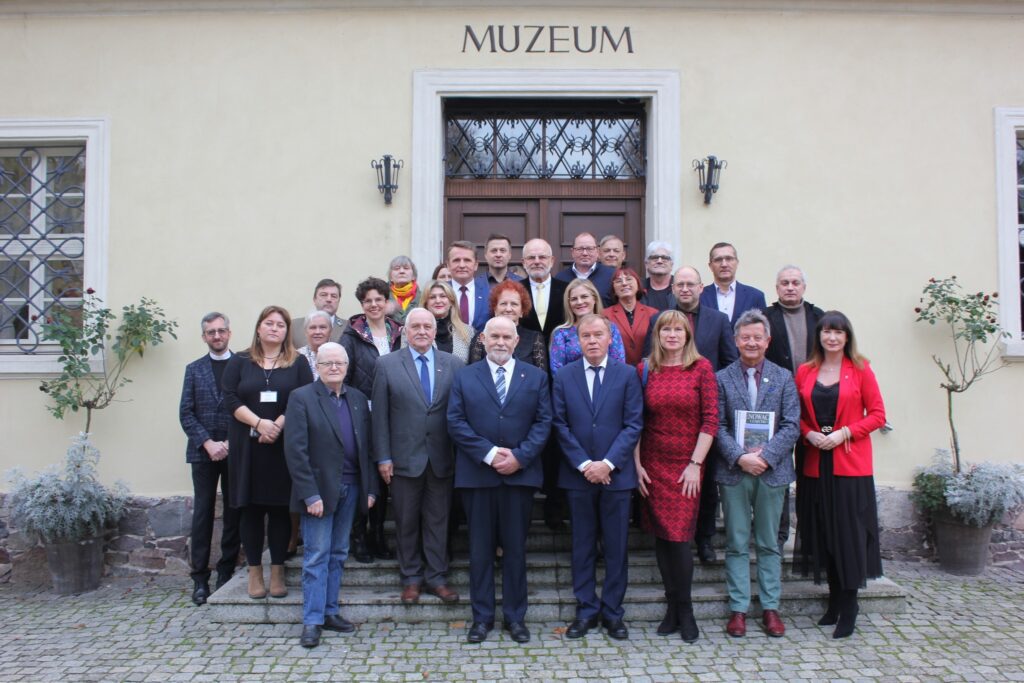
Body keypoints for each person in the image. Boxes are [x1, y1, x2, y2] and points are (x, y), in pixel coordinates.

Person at [447, 316, 552, 644]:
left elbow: (544, 422)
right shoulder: (465, 376)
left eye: (507, 337)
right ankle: (482, 619)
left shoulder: (535, 377)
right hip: (478, 476)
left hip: (520, 477)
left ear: (517, 341)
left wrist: (520, 457)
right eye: (495, 336)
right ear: (483, 339)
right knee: (479, 551)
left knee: (515, 550)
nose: (501, 342)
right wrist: (491, 454)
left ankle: (515, 618)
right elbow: (455, 421)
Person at [795, 311, 886, 639]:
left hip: (849, 466)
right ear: (818, 336)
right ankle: (833, 602)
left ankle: (849, 606)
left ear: (847, 337)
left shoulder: (861, 369)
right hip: (815, 463)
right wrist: (808, 434)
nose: (832, 338)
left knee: (848, 537)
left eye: (838, 332)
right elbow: (795, 414)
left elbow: (878, 415)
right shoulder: (805, 371)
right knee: (824, 535)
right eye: (826, 332)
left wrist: (845, 433)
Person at [552, 314, 642, 641]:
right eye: (586, 336)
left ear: (609, 339)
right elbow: (559, 424)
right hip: (578, 477)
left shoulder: (627, 374)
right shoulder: (564, 376)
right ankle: (586, 610)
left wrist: (607, 464)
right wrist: (584, 464)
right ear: (578, 341)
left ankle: (613, 613)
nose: (592, 341)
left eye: (597, 335)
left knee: (616, 547)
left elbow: (633, 423)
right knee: (583, 545)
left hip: (616, 477)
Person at [284, 342, 377, 648]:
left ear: (347, 367)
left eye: (339, 363)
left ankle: (330, 612)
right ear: (318, 366)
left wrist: (370, 488)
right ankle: (312, 620)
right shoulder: (301, 398)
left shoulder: (358, 399)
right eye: (327, 363)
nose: (334, 367)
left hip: (352, 487)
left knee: (338, 553)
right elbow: (296, 451)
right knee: (316, 556)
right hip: (320, 491)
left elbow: (367, 447)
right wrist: (309, 495)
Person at [643, 266, 738, 563]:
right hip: (663, 429)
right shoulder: (659, 320)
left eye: (690, 284)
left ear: (701, 287)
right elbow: (650, 360)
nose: (685, 289)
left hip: (702, 416)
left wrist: (709, 396)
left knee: (706, 485)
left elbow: (729, 362)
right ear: (673, 289)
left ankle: (705, 539)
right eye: (680, 284)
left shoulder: (718, 320)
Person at [714, 309, 799, 639]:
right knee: (736, 542)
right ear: (736, 341)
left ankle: (770, 607)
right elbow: (717, 425)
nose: (751, 342)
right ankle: (738, 609)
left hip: (771, 472)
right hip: (735, 472)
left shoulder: (783, 377)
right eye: (745, 337)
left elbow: (792, 424)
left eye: (757, 338)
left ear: (767, 341)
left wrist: (765, 456)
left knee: (768, 543)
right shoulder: (722, 378)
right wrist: (740, 457)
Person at [634, 310, 718, 643]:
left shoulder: (701, 368)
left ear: (687, 335)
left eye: (678, 330)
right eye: (665, 329)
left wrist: (696, 463)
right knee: (662, 537)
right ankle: (671, 608)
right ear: (657, 335)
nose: (671, 335)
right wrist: (637, 465)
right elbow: (636, 421)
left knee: (680, 538)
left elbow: (710, 420)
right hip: (653, 463)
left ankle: (686, 610)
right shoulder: (645, 369)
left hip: (687, 466)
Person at [372, 308, 464, 606]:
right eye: (416, 326)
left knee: (439, 521)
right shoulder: (386, 365)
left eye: (427, 326)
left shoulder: (453, 364)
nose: (422, 331)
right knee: (406, 520)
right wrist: (383, 457)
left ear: (435, 331)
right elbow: (380, 416)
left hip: (441, 458)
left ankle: (437, 578)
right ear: (406, 331)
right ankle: (411, 578)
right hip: (402, 459)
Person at [223, 305, 314, 600]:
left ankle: (277, 571)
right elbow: (230, 398)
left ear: (287, 331)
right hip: (247, 447)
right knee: (250, 510)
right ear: (259, 328)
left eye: (281, 325)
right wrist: (259, 423)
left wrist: (277, 425)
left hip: (282, 447)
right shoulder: (239, 361)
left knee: (279, 510)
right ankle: (254, 572)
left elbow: (303, 398)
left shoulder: (298, 362)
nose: (275, 328)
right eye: (269, 323)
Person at [178, 311, 241, 605]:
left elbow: (248, 407)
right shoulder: (194, 370)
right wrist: (207, 443)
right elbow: (186, 412)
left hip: (235, 449)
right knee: (202, 513)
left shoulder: (242, 366)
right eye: (211, 332)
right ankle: (200, 578)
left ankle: (226, 572)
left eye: (221, 330)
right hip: (202, 452)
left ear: (229, 333)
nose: (217, 336)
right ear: (204, 337)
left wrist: (228, 442)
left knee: (233, 511)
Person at [340, 277, 403, 564]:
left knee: (384, 478)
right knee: (363, 477)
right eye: (368, 301)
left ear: (387, 302)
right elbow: (344, 376)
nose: (374, 305)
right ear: (361, 304)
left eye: (379, 299)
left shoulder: (399, 332)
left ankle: (378, 536)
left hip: (394, 415)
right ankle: (359, 537)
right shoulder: (352, 335)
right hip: (362, 416)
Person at [764, 265, 826, 550]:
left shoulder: (819, 317)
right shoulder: (767, 317)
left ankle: (809, 536)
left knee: (810, 472)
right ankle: (779, 535)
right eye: (784, 283)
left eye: (795, 283)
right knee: (777, 470)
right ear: (777, 287)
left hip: (814, 406)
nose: (790, 287)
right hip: (776, 405)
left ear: (804, 287)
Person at [549, 279, 626, 374]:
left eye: (584, 296)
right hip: (572, 382)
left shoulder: (610, 328)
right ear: (569, 303)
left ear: (594, 299)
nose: (579, 302)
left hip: (609, 381)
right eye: (574, 299)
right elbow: (557, 371)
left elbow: (618, 364)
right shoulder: (561, 333)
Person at [468, 279, 547, 368]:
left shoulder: (535, 338)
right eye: (503, 304)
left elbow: (541, 375)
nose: (508, 309)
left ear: (522, 311)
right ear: (495, 309)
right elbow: (473, 372)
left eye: (514, 304)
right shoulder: (481, 337)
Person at [699, 242, 767, 325]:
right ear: (710, 266)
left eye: (729, 258)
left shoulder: (755, 297)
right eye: (718, 260)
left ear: (737, 263)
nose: (724, 264)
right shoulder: (699, 296)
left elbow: (762, 330)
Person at [602, 266, 658, 367]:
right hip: (617, 371)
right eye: (618, 281)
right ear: (614, 289)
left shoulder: (653, 314)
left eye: (628, 279)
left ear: (638, 285)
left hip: (648, 370)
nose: (624, 283)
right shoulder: (604, 316)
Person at [519, 238, 568, 343]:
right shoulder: (515, 290)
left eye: (542, 257)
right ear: (523, 262)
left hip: (559, 349)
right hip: (524, 350)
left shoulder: (567, 290)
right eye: (531, 257)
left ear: (552, 261)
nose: (537, 261)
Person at [553, 232, 615, 307]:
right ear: (572, 252)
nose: (585, 253)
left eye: (589, 249)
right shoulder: (561, 278)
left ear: (597, 251)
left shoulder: (611, 276)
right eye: (580, 249)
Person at [421, 279, 476, 363]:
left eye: (443, 296)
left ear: (451, 301)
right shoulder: (413, 331)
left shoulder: (468, 332)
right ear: (426, 303)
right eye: (432, 297)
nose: (438, 301)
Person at [447, 240, 492, 331]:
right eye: (456, 260)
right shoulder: (440, 292)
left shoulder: (489, 293)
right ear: (448, 265)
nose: (462, 265)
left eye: (467, 260)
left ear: (476, 265)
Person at [292, 279, 347, 348]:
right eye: (323, 295)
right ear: (314, 299)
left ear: (338, 301)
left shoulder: (348, 327)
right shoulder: (294, 326)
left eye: (333, 296)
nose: (329, 299)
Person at [297, 310, 333, 380]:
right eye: (313, 327)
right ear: (305, 331)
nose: (317, 332)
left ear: (330, 330)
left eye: (322, 327)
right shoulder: (296, 356)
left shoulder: (339, 354)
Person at [639, 241, 675, 311]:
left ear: (671, 264)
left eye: (664, 258)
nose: (659, 261)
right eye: (654, 257)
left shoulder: (680, 288)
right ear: (646, 264)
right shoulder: (638, 289)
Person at [384, 255, 420, 325]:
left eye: (406, 268)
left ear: (413, 276)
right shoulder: (382, 296)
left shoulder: (423, 297)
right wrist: (381, 311)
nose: (401, 271)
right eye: (397, 268)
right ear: (390, 277)